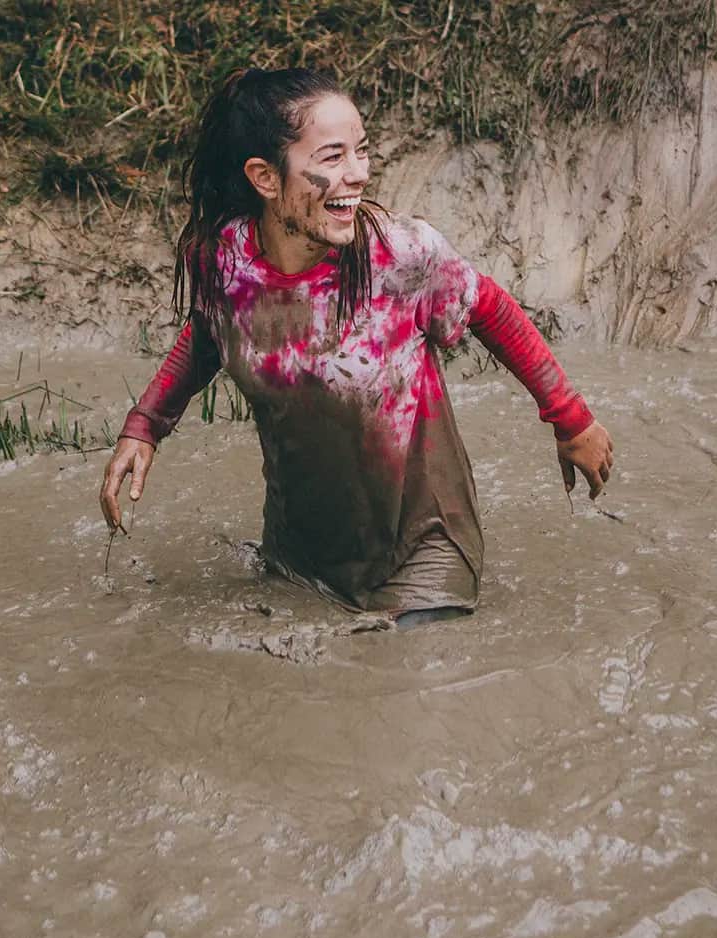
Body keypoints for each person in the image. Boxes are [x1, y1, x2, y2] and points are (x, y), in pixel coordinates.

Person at [98, 67, 614, 626]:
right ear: (265, 178)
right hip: (300, 549)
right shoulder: (227, 263)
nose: (359, 175)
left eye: (362, 152)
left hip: (422, 549)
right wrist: (145, 426)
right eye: (333, 158)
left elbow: (491, 308)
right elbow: (209, 332)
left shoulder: (399, 254)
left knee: (402, 686)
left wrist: (571, 420)